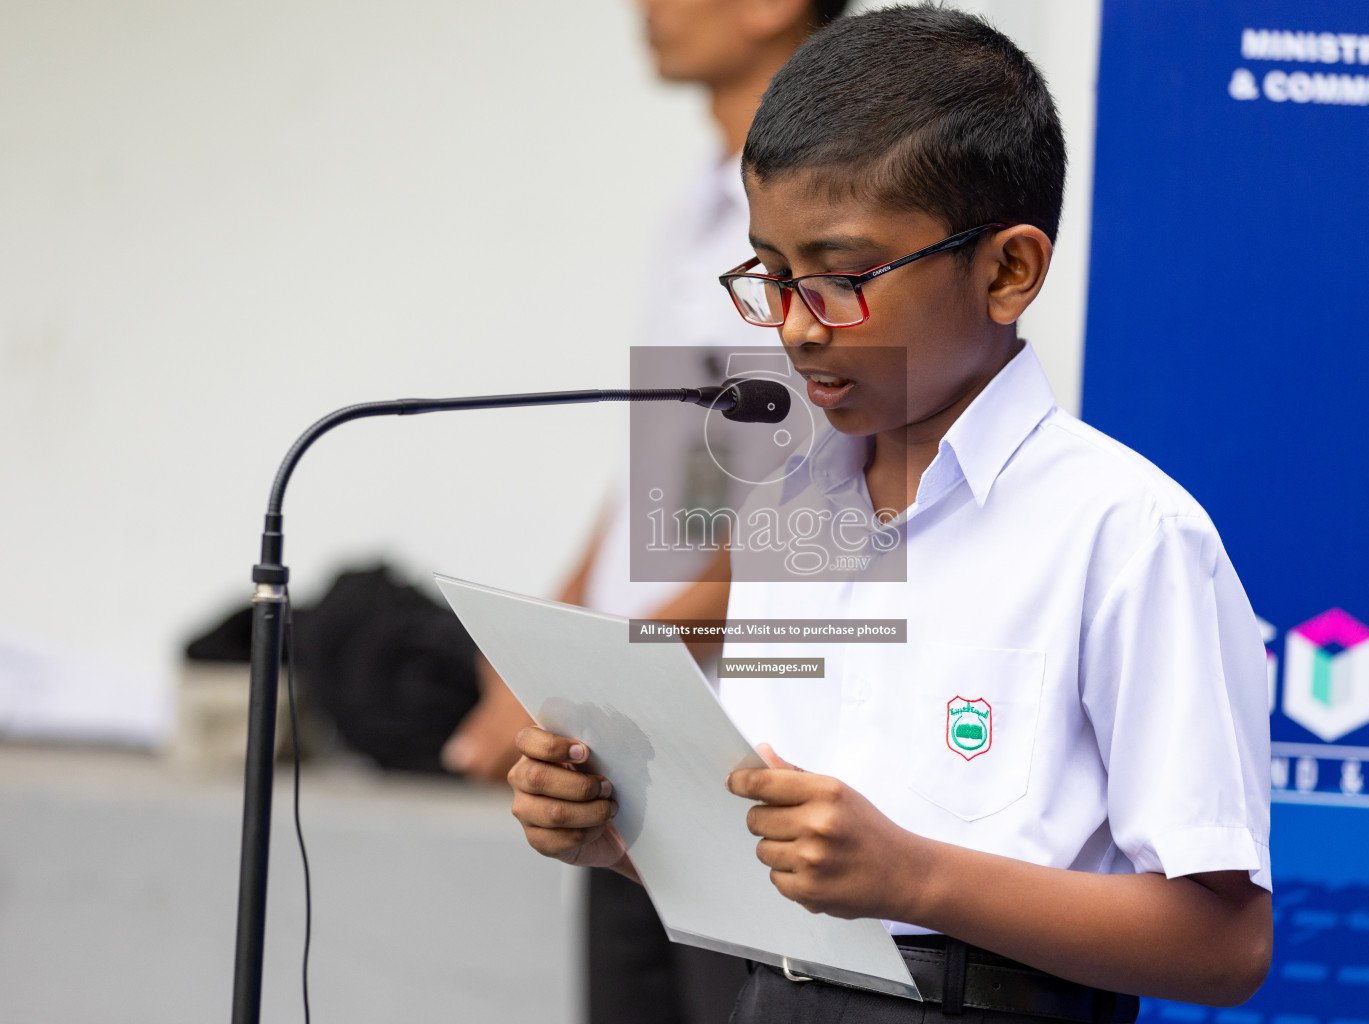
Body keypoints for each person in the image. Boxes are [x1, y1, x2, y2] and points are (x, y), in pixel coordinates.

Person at [506, 6, 1273, 1022]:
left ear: (1008, 270)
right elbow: (780, 858)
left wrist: (913, 878)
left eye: (839, 280)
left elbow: (1226, 948)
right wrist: (622, 831)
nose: (791, 328)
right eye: (771, 276)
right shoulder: (787, 505)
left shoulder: (1124, 531)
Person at [441, 2, 849, 1022]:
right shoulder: (699, 204)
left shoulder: (845, 210)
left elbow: (823, 491)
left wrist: (619, 663)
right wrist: (554, 645)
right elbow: (664, 460)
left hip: (744, 740)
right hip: (637, 733)